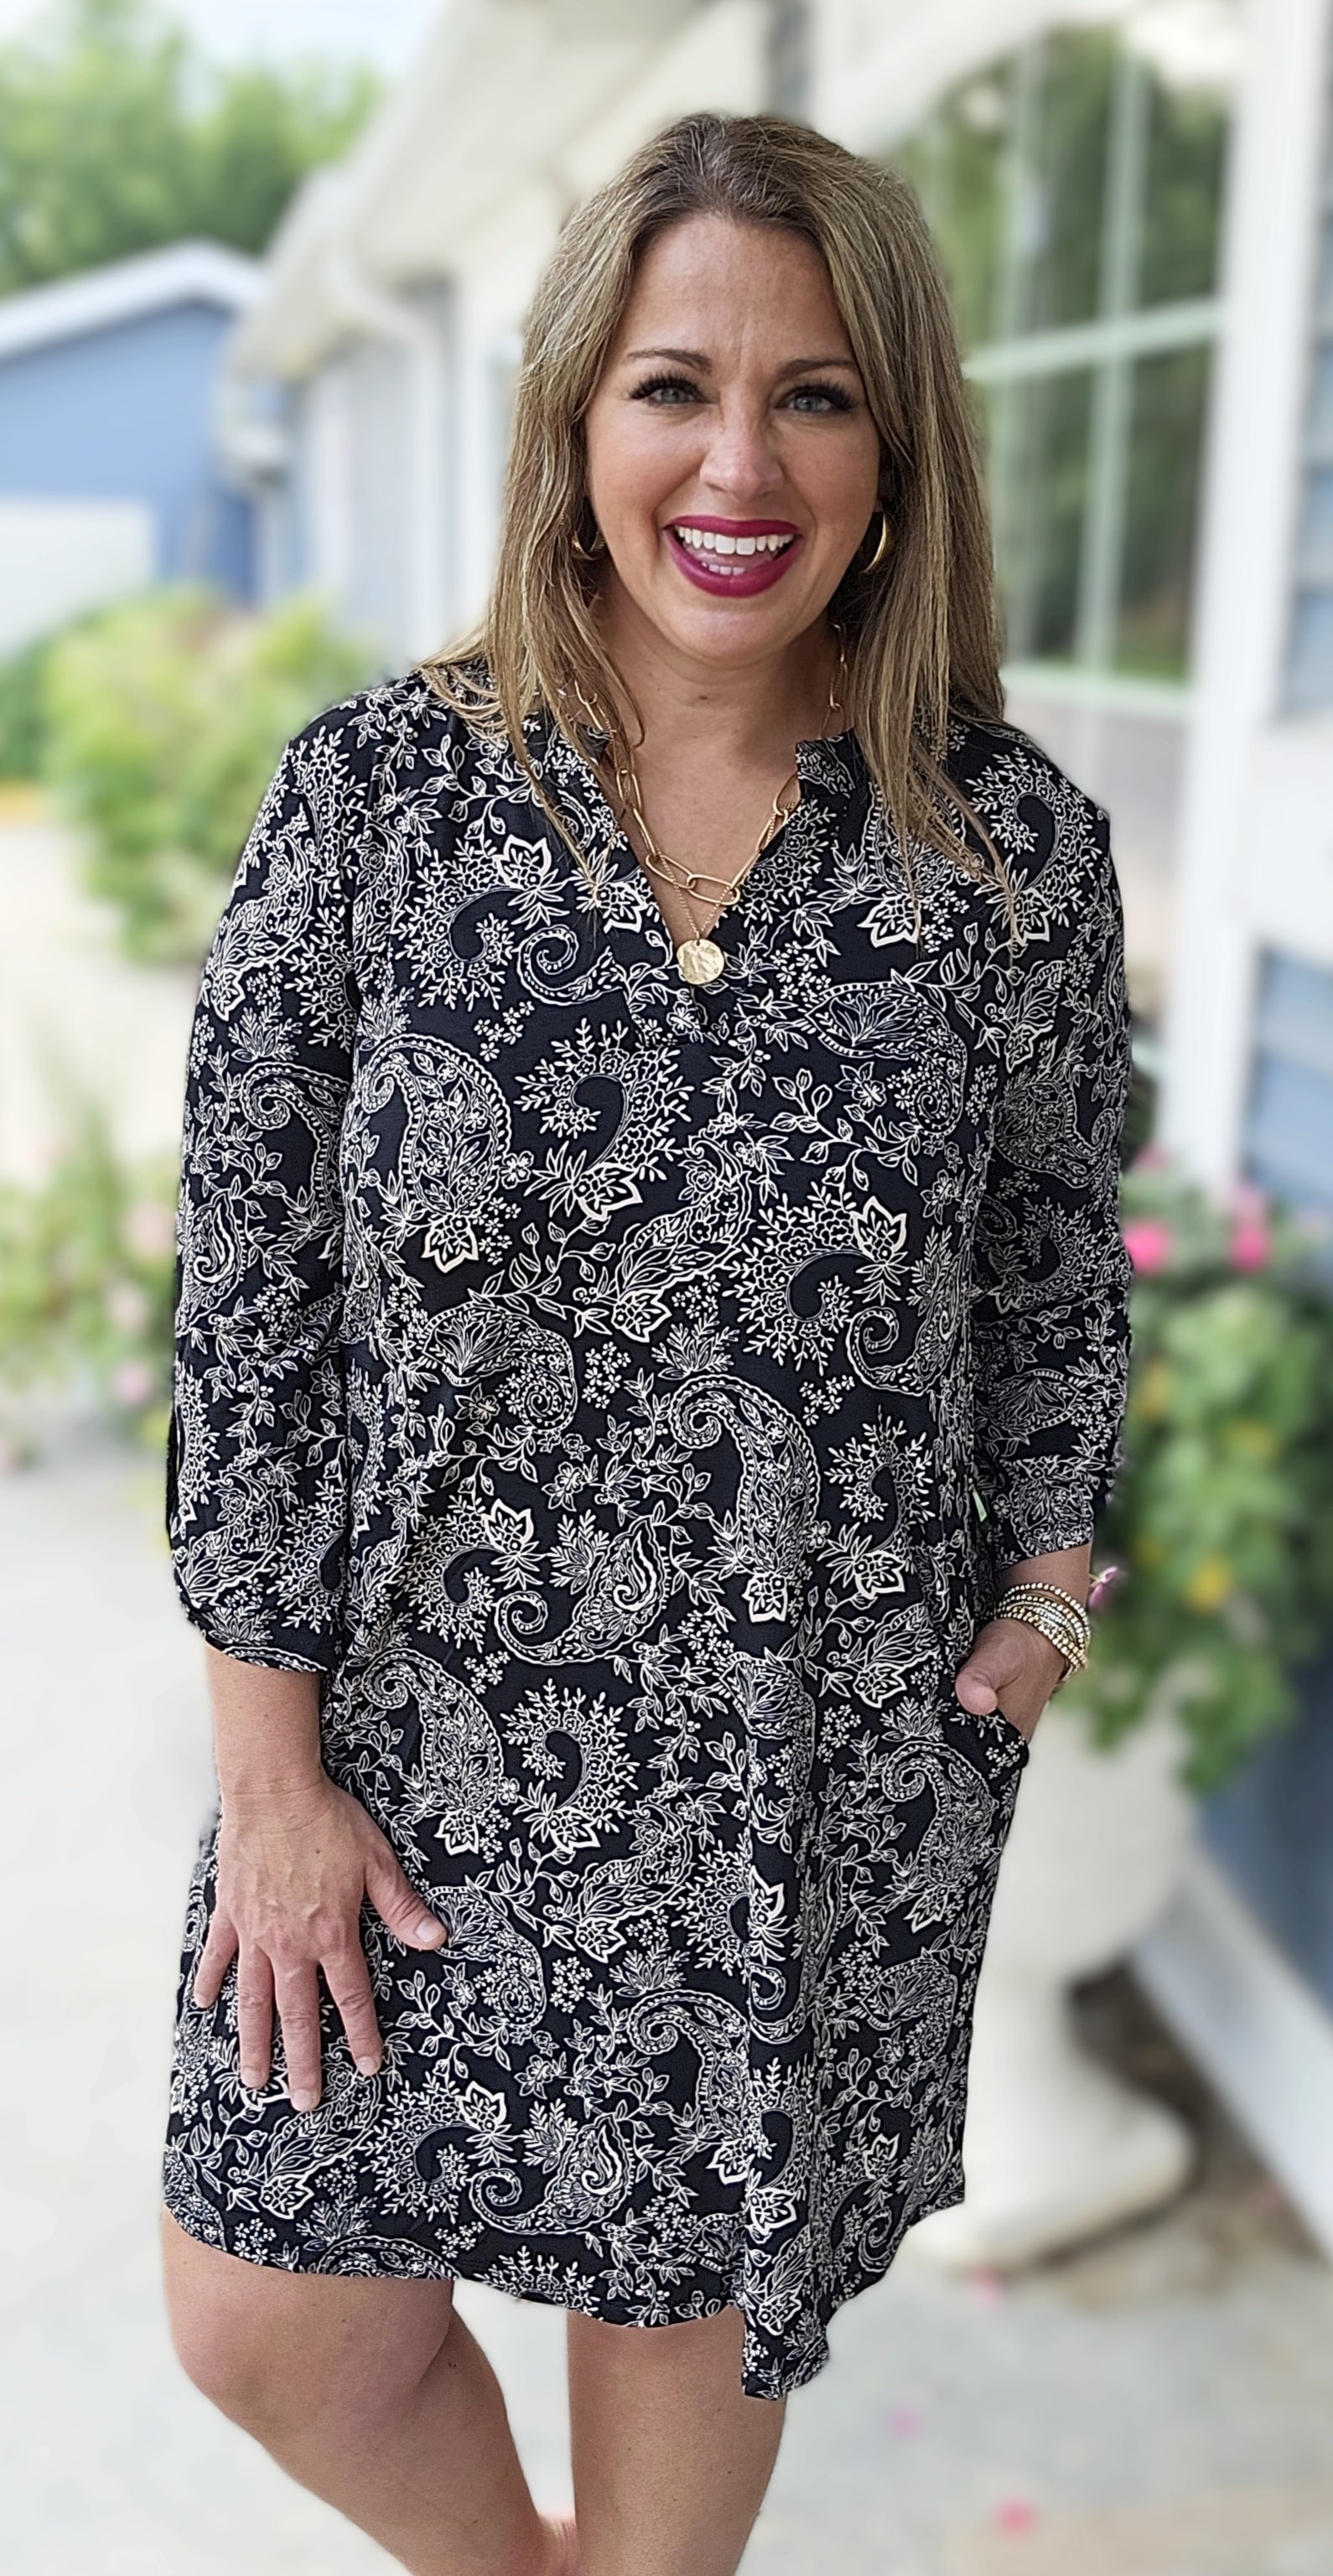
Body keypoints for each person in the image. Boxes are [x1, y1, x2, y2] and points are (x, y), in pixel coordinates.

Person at [159, 111, 1131, 2576]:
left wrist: (1048, 1596)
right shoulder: (381, 801)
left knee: (675, 2418)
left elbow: (1051, 1262)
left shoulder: (1006, 854)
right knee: (269, 2318)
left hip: (802, 1774)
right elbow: (250, 1303)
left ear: (897, 446)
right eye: (674, 386)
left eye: (816, 396)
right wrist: (269, 1769)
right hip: (410, 1739)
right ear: (574, 417)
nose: (738, 465)